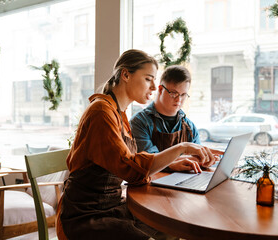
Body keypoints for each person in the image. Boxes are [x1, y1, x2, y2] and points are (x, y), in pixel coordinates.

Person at [56, 49, 223, 240]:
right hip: (85, 216)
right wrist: (181, 147)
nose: (154, 86)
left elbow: (134, 170)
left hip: (111, 206)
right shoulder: (101, 112)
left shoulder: (119, 113)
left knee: (171, 227)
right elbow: (131, 169)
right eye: (148, 79)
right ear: (126, 74)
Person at [130, 65, 219, 172]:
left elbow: (198, 158)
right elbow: (148, 162)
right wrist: (171, 165)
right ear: (160, 89)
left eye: (183, 95)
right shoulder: (139, 122)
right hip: (149, 186)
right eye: (173, 93)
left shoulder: (189, 127)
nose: (179, 99)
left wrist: (206, 160)